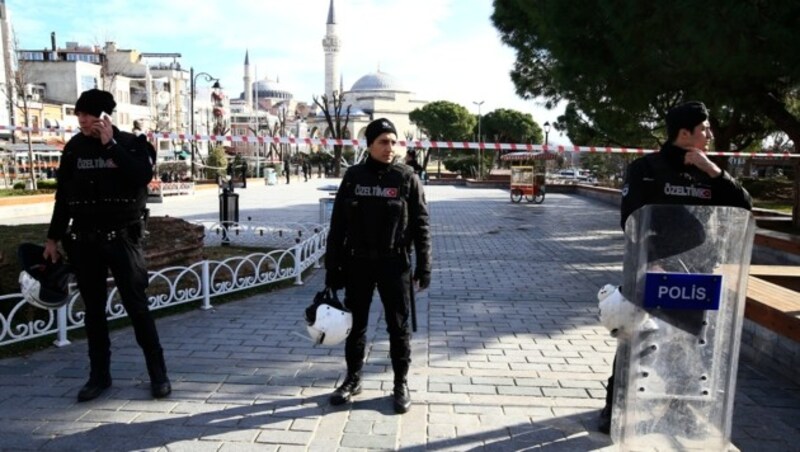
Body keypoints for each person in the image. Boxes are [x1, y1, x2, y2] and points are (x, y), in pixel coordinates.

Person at [598, 101, 752, 433]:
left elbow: (744, 207)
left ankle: (680, 410)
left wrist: (715, 172)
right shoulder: (645, 168)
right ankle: (614, 407)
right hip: (651, 271)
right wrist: (649, 260)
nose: (710, 134)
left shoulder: (709, 171)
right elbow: (630, 218)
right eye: (705, 128)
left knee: (687, 344)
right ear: (685, 132)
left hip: (696, 274)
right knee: (635, 339)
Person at [43, 89, 171, 402]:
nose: (82, 120)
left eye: (88, 114)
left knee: (137, 307)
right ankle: (98, 376)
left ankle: (159, 375)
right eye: (79, 115)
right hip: (85, 242)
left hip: (122, 239)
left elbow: (141, 175)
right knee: (94, 313)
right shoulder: (73, 148)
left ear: (104, 116)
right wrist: (52, 237)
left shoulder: (132, 144)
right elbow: (64, 197)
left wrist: (110, 146)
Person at [325, 118, 432, 414]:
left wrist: (425, 267)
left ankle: (400, 383)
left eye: (393, 141)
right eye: (383, 142)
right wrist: (332, 266)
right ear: (369, 144)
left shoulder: (407, 177)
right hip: (357, 263)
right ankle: (352, 379)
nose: (390, 147)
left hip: (394, 263)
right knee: (355, 326)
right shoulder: (354, 177)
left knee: (398, 328)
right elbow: (338, 225)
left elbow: (422, 225)